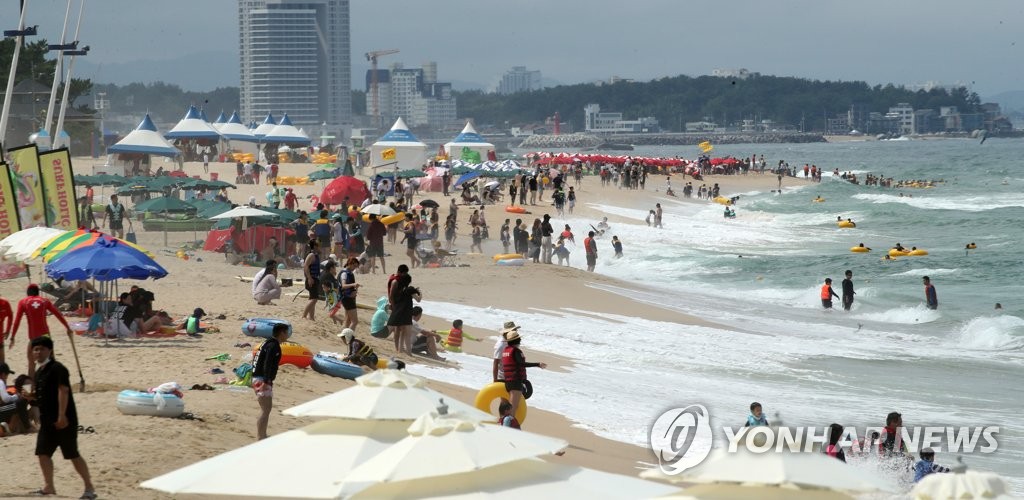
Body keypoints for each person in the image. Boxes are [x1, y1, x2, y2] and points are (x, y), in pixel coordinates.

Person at [27, 336, 96, 498]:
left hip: (65, 420)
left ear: (50, 351)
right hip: (47, 421)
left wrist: (62, 416)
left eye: (41, 349)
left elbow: (63, 391)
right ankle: (49, 486)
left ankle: (89, 488)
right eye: (35, 349)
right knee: (42, 453)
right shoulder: (39, 372)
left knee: (72, 454)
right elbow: (42, 396)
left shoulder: (58, 369)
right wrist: (31, 398)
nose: (38, 352)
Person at [11, 284, 71, 378]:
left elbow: (17, 320)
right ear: (38, 292)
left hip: (34, 337)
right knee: (51, 362)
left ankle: (31, 388)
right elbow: (57, 314)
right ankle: (55, 383)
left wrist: (13, 336)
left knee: (32, 363)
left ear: (28, 293)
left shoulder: (23, 302)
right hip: (45, 336)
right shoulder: (45, 301)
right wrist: (68, 327)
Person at [501, 329, 546, 423]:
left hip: (508, 381)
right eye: (519, 339)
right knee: (513, 408)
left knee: (511, 406)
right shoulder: (515, 351)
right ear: (517, 341)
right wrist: (537, 364)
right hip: (515, 381)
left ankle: (505, 425)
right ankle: (506, 428)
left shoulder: (506, 350)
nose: (520, 341)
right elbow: (522, 364)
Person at [252, 322, 287, 440]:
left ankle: (262, 435)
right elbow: (267, 363)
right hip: (262, 379)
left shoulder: (268, 342)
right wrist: (266, 381)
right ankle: (261, 437)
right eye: (286, 332)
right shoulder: (273, 345)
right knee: (265, 409)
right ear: (282, 333)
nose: (287, 335)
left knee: (266, 409)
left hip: (259, 378)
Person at [387, 274, 421, 354]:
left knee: (400, 332)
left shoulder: (397, 289)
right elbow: (418, 300)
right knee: (407, 334)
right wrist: (420, 293)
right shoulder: (410, 289)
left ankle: (400, 350)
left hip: (397, 313)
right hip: (406, 313)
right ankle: (408, 352)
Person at [0, 362, 33, 435]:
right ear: (3, 374)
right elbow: (6, 399)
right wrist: (17, 396)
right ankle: (28, 428)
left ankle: (7, 427)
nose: (6, 377)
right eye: (7, 375)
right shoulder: (0, 382)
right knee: (20, 403)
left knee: (16, 407)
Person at [334, 257, 361, 330]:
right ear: (349, 264)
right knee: (355, 321)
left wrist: (355, 289)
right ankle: (348, 337)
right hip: (347, 299)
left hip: (349, 298)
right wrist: (353, 285)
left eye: (356, 266)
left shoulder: (349, 273)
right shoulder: (344, 274)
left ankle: (344, 335)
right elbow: (343, 286)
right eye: (354, 266)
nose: (354, 268)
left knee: (348, 320)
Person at [302, 239, 321, 321]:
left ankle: (311, 317)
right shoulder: (311, 255)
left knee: (312, 298)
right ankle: (304, 315)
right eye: (318, 245)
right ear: (315, 246)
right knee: (314, 299)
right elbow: (305, 267)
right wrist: (309, 278)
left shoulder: (316, 255)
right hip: (311, 279)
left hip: (315, 279)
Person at [0, 291, 10, 364]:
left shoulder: (4, 303)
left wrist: (7, 330)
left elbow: (10, 316)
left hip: (0, 337)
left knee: (2, 363)